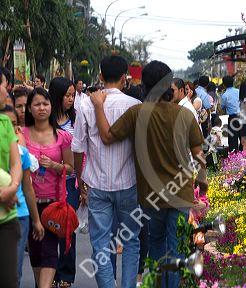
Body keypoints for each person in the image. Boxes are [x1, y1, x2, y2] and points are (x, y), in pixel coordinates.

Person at [90, 60, 208, 288]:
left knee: (155, 248)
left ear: (144, 85)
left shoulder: (137, 113)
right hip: (180, 195)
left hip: (150, 198)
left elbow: (106, 136)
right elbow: (198, 154)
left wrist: (97, 106)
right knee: (176, 251)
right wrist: (202, 183)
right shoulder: (184, 116)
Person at [71, 55, 141, 288]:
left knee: (100, 244)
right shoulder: (134, 106)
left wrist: (81, 178)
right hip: (128, 183)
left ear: (100, 76)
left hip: (97, 184)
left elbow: (78, 147)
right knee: (131, 241)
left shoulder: (85, 105)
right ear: (124, 78)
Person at [22, 87, 74, 288]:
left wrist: (54, 166)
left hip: (54, 205)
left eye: (45, 103)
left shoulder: (61, 136)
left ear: (52, 106)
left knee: (51, 252)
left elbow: (70, 168)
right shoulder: (21, 135)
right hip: (29, 204)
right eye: (37, 104)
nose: (42, 108)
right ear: (29, 108)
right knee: (35, 253)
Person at [0, 105, 44, 288]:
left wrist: (36, 220)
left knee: (13, 272)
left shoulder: (22, 154)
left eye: (15, 125)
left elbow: (28, 189)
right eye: (7, 125)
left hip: (19, 216)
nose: (12, 130)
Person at [49, 77, 80, 287]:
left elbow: (82, 152)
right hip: (48, 181)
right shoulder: (45, 120)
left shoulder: (76, 120)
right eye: (67, 95)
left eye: (73, 95)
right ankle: (50, 273)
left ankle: (66, 275)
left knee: (67, 228)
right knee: (50, 228)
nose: (70, 99)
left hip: (70, 182)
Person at [0, 84, 23, 288]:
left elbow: (15, 163)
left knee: (9, 280)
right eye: (1, 84)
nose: (5, 90)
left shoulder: (4, 124)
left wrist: (13, 187)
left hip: (7, 215)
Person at [221, 75, 240, 152]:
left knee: (233, 137)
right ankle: (243, 153)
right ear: (233, 82)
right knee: (242, 136)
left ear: (224, 84)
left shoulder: (225, 95)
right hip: (242, 116)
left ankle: (233, 154)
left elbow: (223, 106)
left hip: (232, 118)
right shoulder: (238, 91)